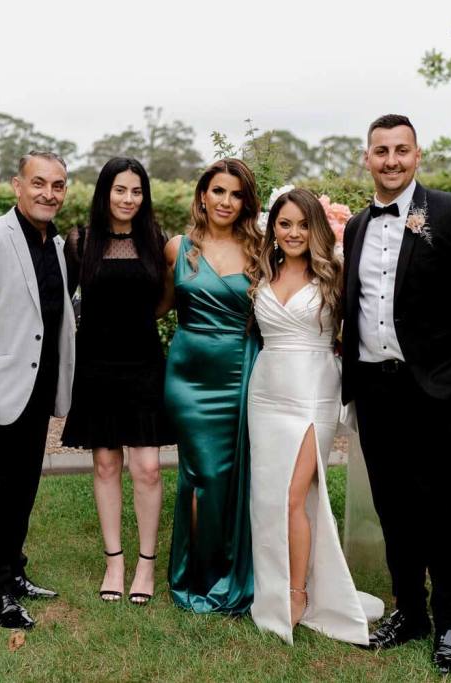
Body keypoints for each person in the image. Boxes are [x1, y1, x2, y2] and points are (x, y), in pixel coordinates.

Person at [340, 114, 451, 672]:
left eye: (401, 150)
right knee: (392, 506)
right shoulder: (356, 225)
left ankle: (450, 624)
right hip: (374, 388)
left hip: (435, 390)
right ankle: (410, 611)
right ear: (366, 158)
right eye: (380, 150)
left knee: (439, 508)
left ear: (417, 155)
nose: (391, 160)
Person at [247, 189, 384, 645]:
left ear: (317, 230)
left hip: (314, 394)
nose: (293, 233)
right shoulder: (262, 272)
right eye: (284, 224)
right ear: (274, 228)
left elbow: (369, 325)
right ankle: (272, 582)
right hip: (265, 392)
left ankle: (298, 593)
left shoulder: (334, 276)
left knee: (294, 495)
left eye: (303, 225)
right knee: (270, 497)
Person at [0, 151, 78, 630]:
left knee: (23, 488)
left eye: (58, 185)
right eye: (39, 183)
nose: (49, 193)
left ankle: (14, 572)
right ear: (16, 185)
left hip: (38, 389)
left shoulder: (58, 245)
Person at [61, 157, 172, 605]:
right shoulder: (79, 241)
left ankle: (146, 566)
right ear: (104, 192)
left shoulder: (156, 242)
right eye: (120, 190)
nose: (128, 199)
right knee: (106, 465)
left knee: (146, 468)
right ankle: (114, 562)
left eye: (137, 191)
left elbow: (167, 299)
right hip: (96, 367)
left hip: (143, 365)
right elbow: (62, 303)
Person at [161, 158, 263, 614]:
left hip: (241, 369)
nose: (225, 201)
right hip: (188, 375)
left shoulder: (262, 249)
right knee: (200, 476)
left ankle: (229, 569)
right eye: (218, 191)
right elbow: (157, 306)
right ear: (203, 195)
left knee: (232, 477)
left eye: (236, 194)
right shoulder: (178, 247)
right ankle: (196, 575)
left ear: (246, 202)